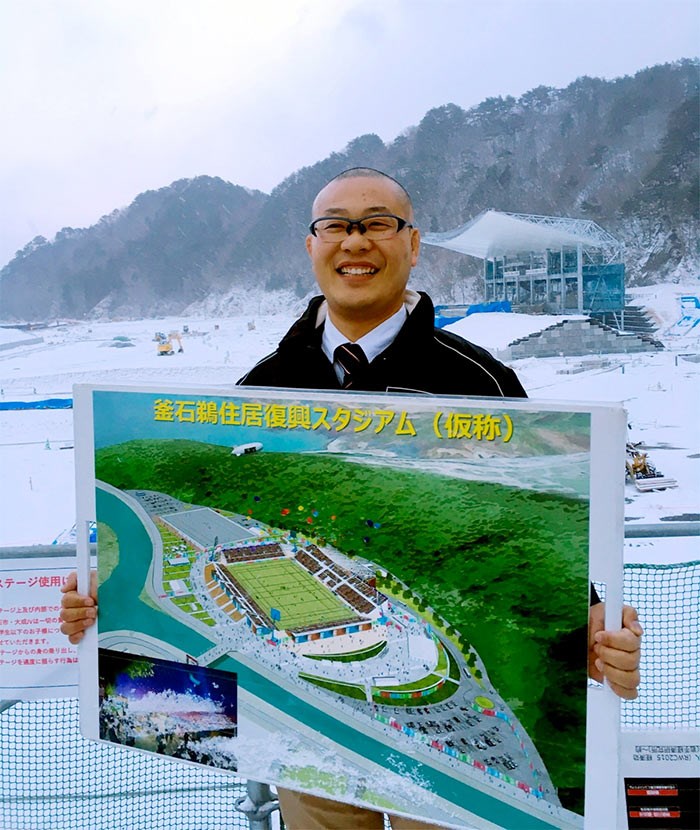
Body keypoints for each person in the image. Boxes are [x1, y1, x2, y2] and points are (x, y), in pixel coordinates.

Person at [61, 168, 643, 830]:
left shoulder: (482, 378)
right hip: (313, 763)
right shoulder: (262, 386)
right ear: (311, 246)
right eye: (335, 225)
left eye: (377, 223)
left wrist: (594, 629)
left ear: (413, 244)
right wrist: (93, 610)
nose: (355, 241)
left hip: (442, 780)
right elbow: (156, 690)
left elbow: (533, 521)